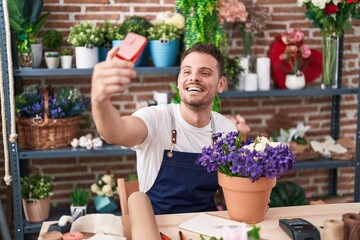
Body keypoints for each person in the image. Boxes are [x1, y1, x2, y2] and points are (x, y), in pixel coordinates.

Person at [91, 42, 237, 214]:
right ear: (179, 80)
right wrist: (100, 101)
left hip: (205, 227)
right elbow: (116, 133)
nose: (194, 78)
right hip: (158, 227)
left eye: (205, 73)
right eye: (187, 71)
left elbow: (232, 190)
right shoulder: (156, 118)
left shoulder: (226, 129)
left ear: (220, 84)